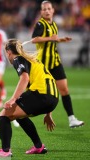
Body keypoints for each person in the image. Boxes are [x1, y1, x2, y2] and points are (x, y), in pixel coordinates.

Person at [0, 39, 59, 157]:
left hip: (40, 94)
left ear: (9, 52)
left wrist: (13, 99)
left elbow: (24, 78)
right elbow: (46, 82)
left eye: (6, 53)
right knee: (19, 115)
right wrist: (48, 112)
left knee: (4, 115)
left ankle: (5, 151)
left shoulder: (18, 59)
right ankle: (38, 147)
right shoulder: (33, 60)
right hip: (53, 98)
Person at [31, 0, 84, 128]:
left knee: (64, 90)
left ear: (53, 10)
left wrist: (60, 40)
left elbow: (51, 40)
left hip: (55, 62)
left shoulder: (54, 24)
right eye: (44, 9)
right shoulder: (40, 24)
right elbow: (34, 39)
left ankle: (72, 119)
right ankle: (16, 114)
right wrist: (51, 38)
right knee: (35, 90)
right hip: (43, 64)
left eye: (49, 8)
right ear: (41, 12)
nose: (47, 11)